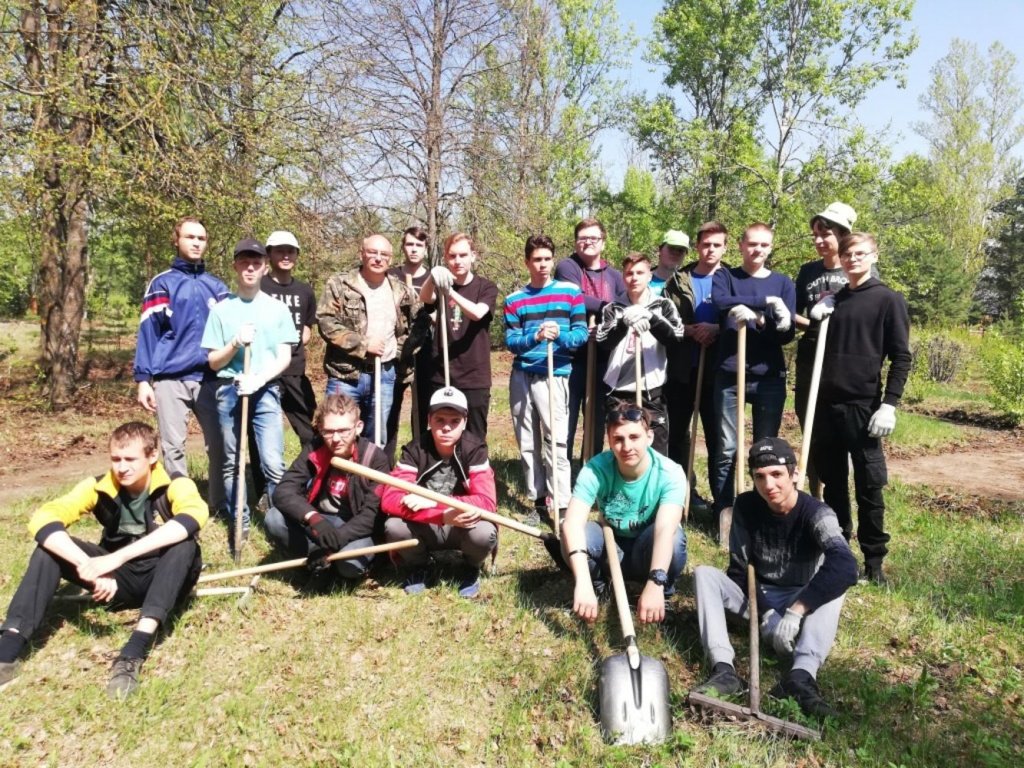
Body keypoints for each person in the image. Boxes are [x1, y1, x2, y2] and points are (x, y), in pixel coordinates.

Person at [0, 422, 207, 698]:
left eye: (130, 459)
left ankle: (133, 652)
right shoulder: (98, 486)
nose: (122, 467)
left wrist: (115, 559)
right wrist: (91, 568)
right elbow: (44, 517)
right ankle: (9, 648)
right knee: (47, 549)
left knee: (184, 545)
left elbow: (193, 517)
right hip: (115, 581)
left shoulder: (175, 484)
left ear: (152, 456)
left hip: (165, 577)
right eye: (116, 459)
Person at [691, 437, 857, 718]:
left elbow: (846, 564)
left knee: (835, 584)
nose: (769, 485)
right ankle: (724, 671)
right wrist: (767, 613)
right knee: (704, 575)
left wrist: (795, 612)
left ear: (794, 475)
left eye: (777, 475)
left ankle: (801, 676)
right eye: (760, 477)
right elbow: (739, 570)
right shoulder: (745, 506)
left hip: (801, 599)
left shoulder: (817, 513)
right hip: (758, 596)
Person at [808, 233, 911, 586]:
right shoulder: (836, 300)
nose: (853, 259)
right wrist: (819, 313)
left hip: (864, 408)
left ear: (873, 256)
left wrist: (889, 405)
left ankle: (874, 562)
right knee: (833, 483)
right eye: (848, 254)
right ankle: (839, 554)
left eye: (860, 253)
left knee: (869, 485)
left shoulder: (887, 300)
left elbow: (901, 356)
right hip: (827, 406)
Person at [201, 239, 298, 552]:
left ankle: (281, 526)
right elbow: (213, 361)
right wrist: (234, 344)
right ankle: (239, 526)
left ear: (264, 267)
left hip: (266, 390)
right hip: (228, 390)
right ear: (235, 266)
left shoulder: (277, 309)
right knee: (232, 463)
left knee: (273, 463)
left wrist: (259, 378)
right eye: (244, 262)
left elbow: (284, 356)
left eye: (256, 262)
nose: (250, 267)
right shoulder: (222, 311)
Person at [133, 216, 227, 516]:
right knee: (173, 447)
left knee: (220, 445)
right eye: (190, 237)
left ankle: (218, 505)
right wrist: (143, 379)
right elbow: (148, 332)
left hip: (211, 378)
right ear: (177, 240)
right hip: (170, 377)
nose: (196, 243)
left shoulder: (217, 287)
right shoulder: (162, 283)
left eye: (201, 238)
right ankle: (182, 509)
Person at [561, 404, 688, 626]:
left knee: (676, 539)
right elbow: (572, 523)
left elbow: (665, 529)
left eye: (634, 437)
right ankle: (599, 585)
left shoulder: (670, 473)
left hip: (647, 549)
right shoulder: (595, 469)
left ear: (649, 437)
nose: (626, 446)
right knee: (572, 535)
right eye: (618, 439)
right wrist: (582, 582)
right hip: (611, 548)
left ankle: (662, 592)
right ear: (609, 441)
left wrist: (655, 581)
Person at [710, 223, 796, 526]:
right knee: (726, 448)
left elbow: (784, 336)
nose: (757, 250)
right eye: (752, 244)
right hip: (730, 374)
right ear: (741, 246)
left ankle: (763, 512)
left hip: (768, 376)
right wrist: (765, 305)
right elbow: (721, 302)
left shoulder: (784, 283)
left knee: (766, 449)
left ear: (770, 248)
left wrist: (762, 322)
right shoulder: (726, 276)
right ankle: (724, 512)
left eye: (763, 245)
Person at [379, 387, 498, 598]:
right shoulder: (415, 450)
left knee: (484, 532)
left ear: (464, 421)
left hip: (462, 524)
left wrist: (433, 502)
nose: (446, 428)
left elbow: (486, 501)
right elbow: (390, 499)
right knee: (394, 527)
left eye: (454, 421)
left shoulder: (475, 449)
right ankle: (420, 565)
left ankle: (471, 567)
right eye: (440, 420)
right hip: (426, 523)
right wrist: (439, 515)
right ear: (429, 420)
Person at [504, 234, 589, 527]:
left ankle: (561, 505)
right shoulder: (515, 300)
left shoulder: (570, 293)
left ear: (553, 260)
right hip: (523, 375)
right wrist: (536, 336)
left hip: (555, 376)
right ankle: (538, 501)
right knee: (528, 442)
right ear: (527, 262)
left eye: (547, 259)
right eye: (536, 260)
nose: (542, 265)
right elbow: (511, 341)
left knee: (557, 441)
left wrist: (560, 335)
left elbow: (580, 335)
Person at [266, 394, 390, 581]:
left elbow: (371, 517)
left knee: (349, 566)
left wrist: (336, 540)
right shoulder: (315, 448)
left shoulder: (376, 458)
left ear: (358, 428)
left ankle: (327, 559)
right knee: (273, 519)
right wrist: (313, 519)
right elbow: (284, 490)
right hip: (321, 522)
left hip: (356, 528)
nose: (336, 439)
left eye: (344, 431)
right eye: (328, 432)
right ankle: (318, 556)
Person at [317, 233, 420, 447]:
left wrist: (399, 351)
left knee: (375, 440)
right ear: (362, 254)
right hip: (345, 375)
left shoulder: (399, 290)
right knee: (336, 435)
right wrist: (363, 345)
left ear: (391, 259)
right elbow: (326, 321)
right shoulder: (341, 284)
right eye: (372, 252)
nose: (378, 258)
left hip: (384, 374)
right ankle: (335, 479)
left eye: (384, 254)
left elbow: (419, 323)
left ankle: (368, 480)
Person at [794, 203, 861, 496]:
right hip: (810, 358)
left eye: (826, 234)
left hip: (842, 361)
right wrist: (794, 317)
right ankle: (815, 495)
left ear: (844, 235)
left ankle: (838, 496)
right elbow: (797, 315)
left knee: (836, 432)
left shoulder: (855, 272)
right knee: (810, 427)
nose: (820, 241)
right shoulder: (807, 271)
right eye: (816, 235)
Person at [248, 230, 318, 509]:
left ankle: (308, 484)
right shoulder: (259, 287)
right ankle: (265, 491)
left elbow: (308, 329)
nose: (286, 255)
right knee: (260, 434)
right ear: (270, 255)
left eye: (291, 251)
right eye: (280, 251)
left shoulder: (304, 290)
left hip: (295, 371)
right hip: (263, 371)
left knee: (309, 432)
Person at [664, 221, 729, 511]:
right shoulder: (678, 281)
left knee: (719, 439)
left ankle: (723, 502)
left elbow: (739, 319)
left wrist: (717, 328)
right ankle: (682, 495)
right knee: (677, 436)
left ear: (725, 247)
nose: (710, 249)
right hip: (681, 370)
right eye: (706, 244)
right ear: (698, 246)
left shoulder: (732, 279)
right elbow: (665, 320)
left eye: (717, 244)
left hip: (719, 372)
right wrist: (690, 331)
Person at [596, 253, 685, 455]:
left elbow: (675, 338)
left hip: (652, 392)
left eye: (639, 273)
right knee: (624, 451)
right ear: (623, 277)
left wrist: (652, 319)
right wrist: (622, 323)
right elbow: (603, 342)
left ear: (649, 276)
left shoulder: (663, 305)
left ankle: (654, 487)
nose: (634, 277)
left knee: (657, 451)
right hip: (619, 391)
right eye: (629, 273)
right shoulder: (613, 308)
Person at [554, 218, 626, 461]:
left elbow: (623, 308)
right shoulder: (568, 267)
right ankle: (562, 470)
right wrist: (608, 306)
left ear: (602, 242)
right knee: (567, 416)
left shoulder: (615, 276)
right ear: (576, 243)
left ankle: (590, 466)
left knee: (595, 417)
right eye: (582, 238)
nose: (587, 243)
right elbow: (573, 295)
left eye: (593, 238)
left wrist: (607, 323)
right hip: (572, 358)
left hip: (603, 357)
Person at [419, 232, 498, 438]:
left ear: (473, 256)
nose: (457, 261)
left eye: (463, 255)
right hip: (442, 372)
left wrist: (450, 292)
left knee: (474, 434)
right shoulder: (440, 281)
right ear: (446, 258)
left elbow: (478, 313)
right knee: (441, 434)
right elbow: (425, 298)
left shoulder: (486, 286)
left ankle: (474, 470)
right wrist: (432, 277)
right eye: (452, 256)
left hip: (474, 376)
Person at [386, 226, 433, 459]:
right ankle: (384, 462)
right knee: (390, 409)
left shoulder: (431, 277)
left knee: (421, 410)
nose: (414, 249)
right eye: (409, 244)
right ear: (403, 247)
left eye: (419, 245)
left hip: (425, 352)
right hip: (395, 353)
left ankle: (419, 459)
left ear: (425, 249)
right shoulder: (390, 275)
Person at [650, 229, 690, 296]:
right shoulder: (638, 279)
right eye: (672, 248)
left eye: (681, 250)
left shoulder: (690, 285)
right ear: (660, 250)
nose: (675, 253)